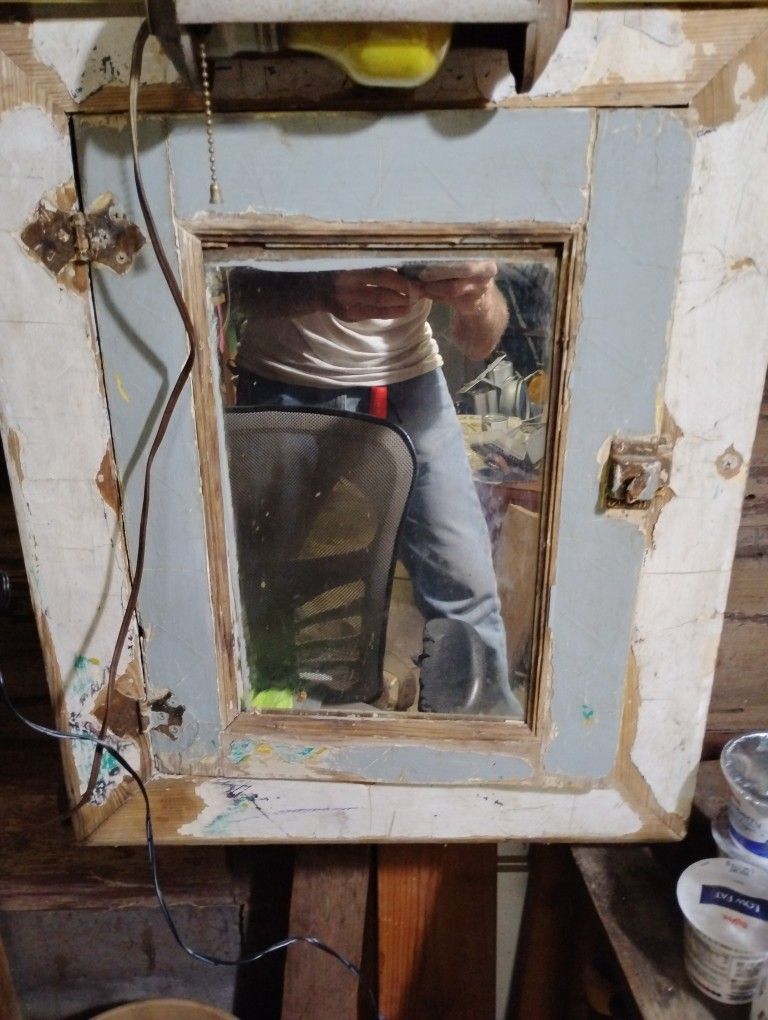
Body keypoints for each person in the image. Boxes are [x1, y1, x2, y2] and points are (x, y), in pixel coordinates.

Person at [225, 260, 522, 716]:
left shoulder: (446, 194)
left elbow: (478, 341)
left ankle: (481, 762)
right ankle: (275, 756)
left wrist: (475, 297)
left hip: (411, 381)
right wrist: (319, 289)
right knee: (267, 597)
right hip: (283, 379)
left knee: (468, 590)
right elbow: (238, 287)